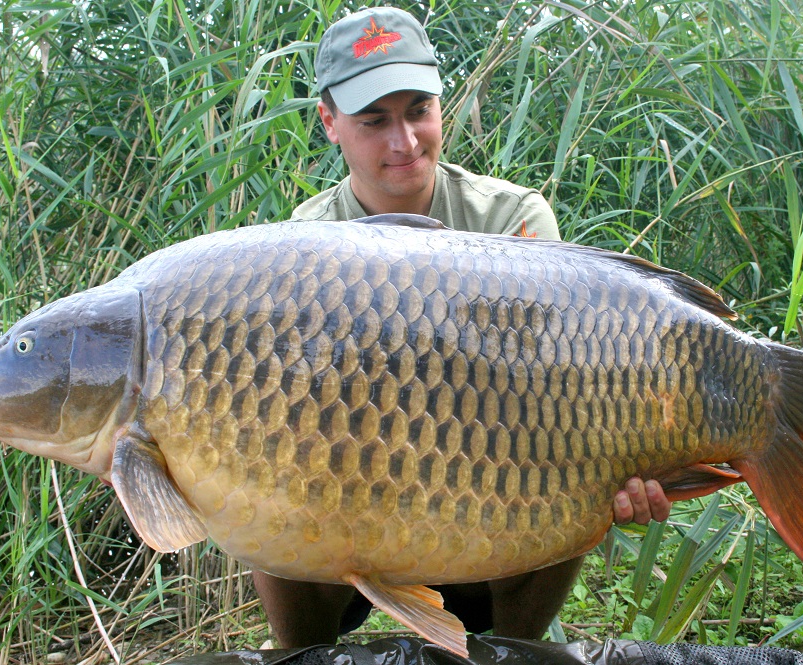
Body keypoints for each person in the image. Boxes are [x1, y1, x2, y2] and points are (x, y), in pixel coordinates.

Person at [258, 6, 673, 649]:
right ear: (330, 122)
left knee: (565, 462)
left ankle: (513, 652)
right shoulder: (304, 244)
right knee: (265, 506)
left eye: (419, 110)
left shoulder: (512, 218)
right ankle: (303, 656)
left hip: (492, 508)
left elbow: (553, 387)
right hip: (361, 513)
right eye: (374, 122)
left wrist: (628, 460)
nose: (405, 142)